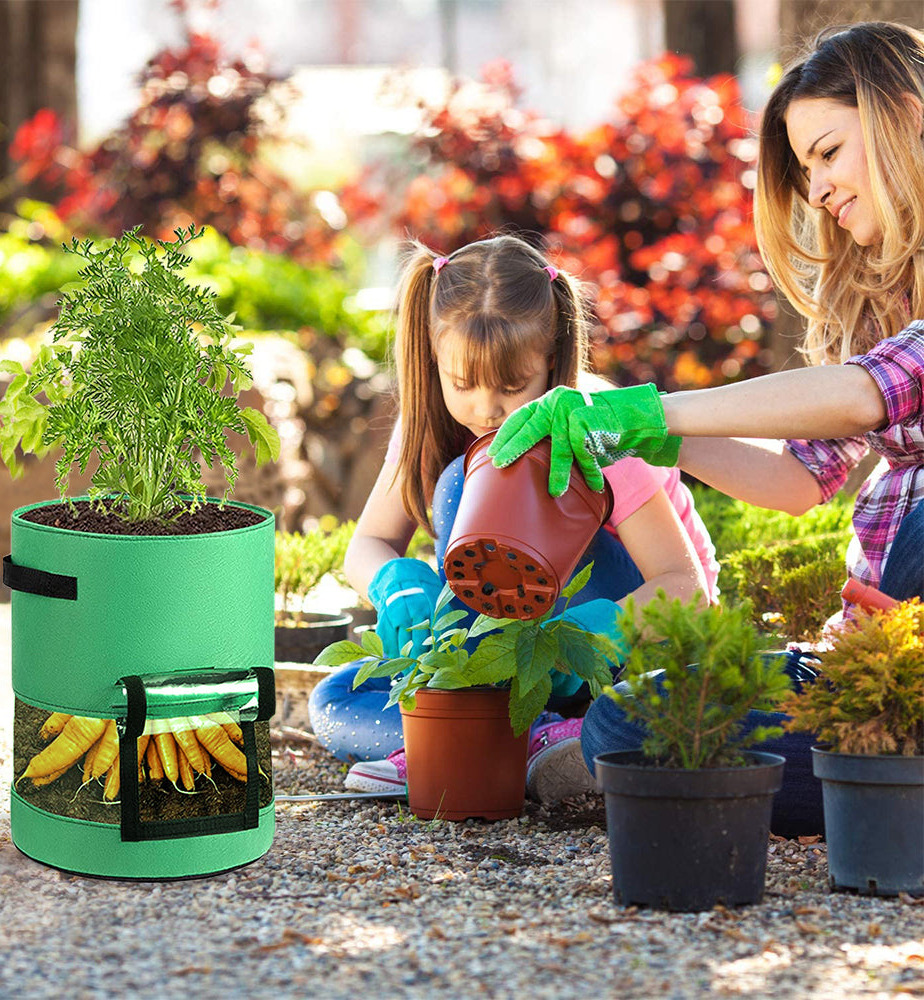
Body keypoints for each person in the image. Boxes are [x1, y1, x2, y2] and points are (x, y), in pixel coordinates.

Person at [488, 21, 924, 836]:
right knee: (631, 722)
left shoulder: (879, 366)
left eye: (828, 152)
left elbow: (870, 394)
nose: (820, 187)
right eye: (806, 170)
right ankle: (886, 769)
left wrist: (657, 407)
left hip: (912, 640)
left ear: (904, 114)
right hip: (868, 663)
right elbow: (796, 483)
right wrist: (653, 437)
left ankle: (890, 764)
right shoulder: (882, 302)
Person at [307, 234, 720, 803]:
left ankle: (491, 739)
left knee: (466, 481)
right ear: (434, 360)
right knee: (333, 699)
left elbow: (687, 587)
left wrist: (600, 632)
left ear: (551, 364)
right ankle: (533, 739)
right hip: (504, 668)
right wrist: (395, 583)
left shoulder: (595, 426)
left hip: (629, 648)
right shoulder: (427, 425)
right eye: (462, 383)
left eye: (511, 386)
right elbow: (371, 540)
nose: (485, 409)